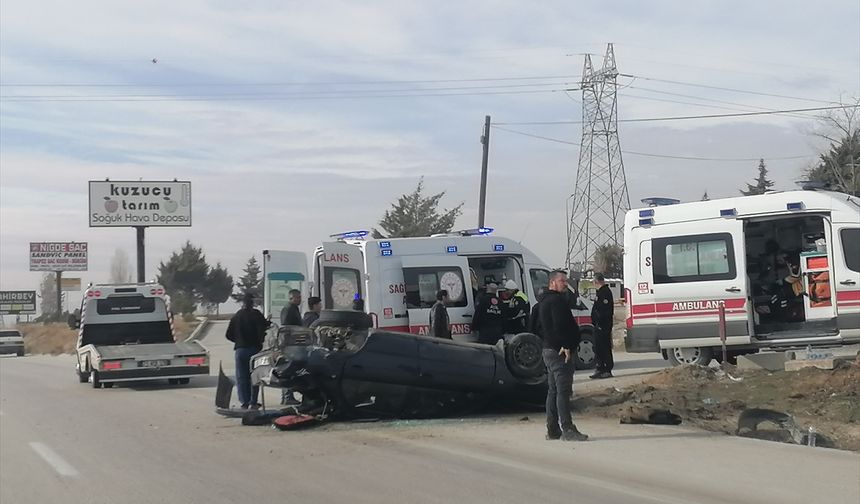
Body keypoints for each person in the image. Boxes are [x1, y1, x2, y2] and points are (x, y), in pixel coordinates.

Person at [538, 271, 588, 442]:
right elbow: (559, 326)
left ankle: (552, 429)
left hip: (549, 350)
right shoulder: (556, 301)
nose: (565, 284)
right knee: (563, 392)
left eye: (566, 281)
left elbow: (541, 327)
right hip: (560, 352)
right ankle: (567, 428)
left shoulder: (544, 300)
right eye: (561, 281)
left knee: (553, 391)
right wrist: (564, 345)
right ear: (552, 282)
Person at [226, 293, 270, 409]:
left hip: (240, 350)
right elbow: (264, 327)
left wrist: (238, 341)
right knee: (254, 377)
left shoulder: (237, 316)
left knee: (242, 377)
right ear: (253, 302)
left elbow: (228, 334)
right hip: (254, 350)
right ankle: (253, 402)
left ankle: (244, 402)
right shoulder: (256, 314)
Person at [590, 273, 615, 379]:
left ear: (597, 281)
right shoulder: (599, 292)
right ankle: (599, 368)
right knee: (598, 348)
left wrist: (600, 322)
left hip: (603, 326)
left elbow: (604, 311)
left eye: (594, 281)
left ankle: (606, 368)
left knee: (604, 347)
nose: (593, 283)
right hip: (598, 326)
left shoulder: (605, 293)